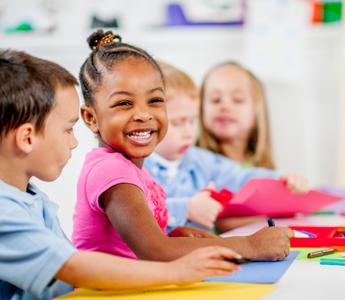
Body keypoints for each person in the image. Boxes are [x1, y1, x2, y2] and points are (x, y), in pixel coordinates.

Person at [0, 49, 243, 300]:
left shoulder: (30, 197)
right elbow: (71, 267)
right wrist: (175, 271)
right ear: (27, 138)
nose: (74, 142)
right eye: (68, 130)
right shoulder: (4, 212)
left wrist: (171, 239)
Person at [73, 29, 293, 263]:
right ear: (91, 118)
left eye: (155, 100)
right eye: (124, 103)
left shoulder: (135, 169)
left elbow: (143, 244)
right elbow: (156, 251)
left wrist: (175, 236)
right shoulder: (112, 171)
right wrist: (250, 245)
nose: (144, 114)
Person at [145, 62, 309, 233]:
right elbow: (133, 212)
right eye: (178, 122)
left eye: (192, 121)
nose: (189, 133)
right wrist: (186, 209)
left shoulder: (202, 160)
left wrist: (283, 180)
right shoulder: (136, 166)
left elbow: (241, 178)